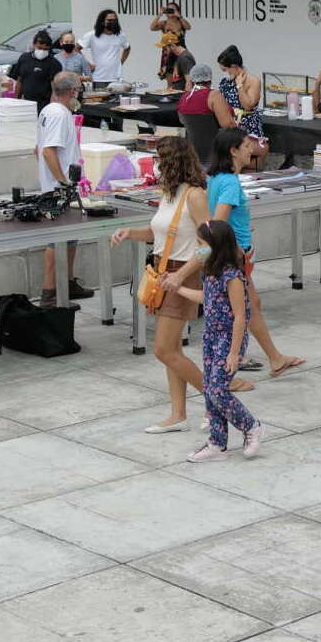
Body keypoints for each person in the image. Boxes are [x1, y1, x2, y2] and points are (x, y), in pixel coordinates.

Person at [111, 137, 210, 434]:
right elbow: (160, 234)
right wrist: (130, 232)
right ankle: (178, 414)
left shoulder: (194, 195)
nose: (155, 165)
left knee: (164, 350)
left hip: (182, 274)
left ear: (172, 162)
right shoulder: (169, 193)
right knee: (173, 350)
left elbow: (208, 246)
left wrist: (182, 276)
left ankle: (218, 401)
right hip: (163, 271)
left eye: (158, 159)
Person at [197, 128, 305, 379]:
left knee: (251, 304)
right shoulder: (230, 182)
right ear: (233, 151)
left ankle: (273, 357)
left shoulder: (216, 178)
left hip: (233, 253)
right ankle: (243, 359)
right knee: (244, 307)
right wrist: (235, 251)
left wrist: (243, 225)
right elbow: (218, 222)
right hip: (235, 255)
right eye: (247, 146)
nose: (252, 150)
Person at [186, 219, 261, 463]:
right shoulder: (209, 272)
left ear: (216, 246)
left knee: (218, 390)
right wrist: (176, 289)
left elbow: (240, 317)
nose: (198, 249)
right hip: (211, 335)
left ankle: (250, 426)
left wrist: (234, 353)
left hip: (228, 338)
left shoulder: (232, 277)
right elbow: (206, 298)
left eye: (201, 244)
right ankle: (217, 443)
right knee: (209, 389)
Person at [35, 73, 89, 306]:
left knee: (71, 238)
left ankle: (67, 283)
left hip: (63, 185)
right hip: (59, 188)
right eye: (79, 89)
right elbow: (48, 151)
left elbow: (37, 149)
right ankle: (49, 294)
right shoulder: (57, 114)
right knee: (56, 241)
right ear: (72, 91)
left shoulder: (51, 111)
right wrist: (62, 182)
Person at [214, 44, 265, 145]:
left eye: (225, 70)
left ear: (233, 66)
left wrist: (239, 86)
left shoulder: (253, 81)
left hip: (248, 125)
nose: (225, 73)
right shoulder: (226, 81)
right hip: (230, 125)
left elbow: (248, 106)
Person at [3, 28, 64, 110]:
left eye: (45, 49)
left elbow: (55, 88)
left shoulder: (54, 64)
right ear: (34, 44)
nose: (42, 51)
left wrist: (52, 107)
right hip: (26, 103)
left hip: (44, 104)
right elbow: (19, 80)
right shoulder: (24, 58)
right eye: (40, 48)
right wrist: (16, 100)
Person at [177, 62, 222, 168]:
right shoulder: (214, 96)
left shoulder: (184, 98)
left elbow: (182, 121)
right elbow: (228, 124)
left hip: (192, 154)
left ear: (192, 80)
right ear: (210, 79)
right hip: (214, 154)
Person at [149, 2, 193, 86]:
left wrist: (179, 16)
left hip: (180, 52)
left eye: (172, 9)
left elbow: (188, 27)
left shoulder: (180, 22)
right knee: (170, 81)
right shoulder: (164, 23)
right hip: (168, 53)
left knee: (184, 78)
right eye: (169, 9)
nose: (170, 11)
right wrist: (159, 14)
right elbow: (152, 27)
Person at [85, 8, 130, 88]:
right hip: (99, 78)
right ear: (102, 21)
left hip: (116, 78)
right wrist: (88, 65)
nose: (112, 22)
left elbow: (127, 48)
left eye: (115, 20)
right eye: (109, 20)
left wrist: (121, 62)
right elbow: (76, 49)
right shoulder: (92, 35)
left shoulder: (120, 35)